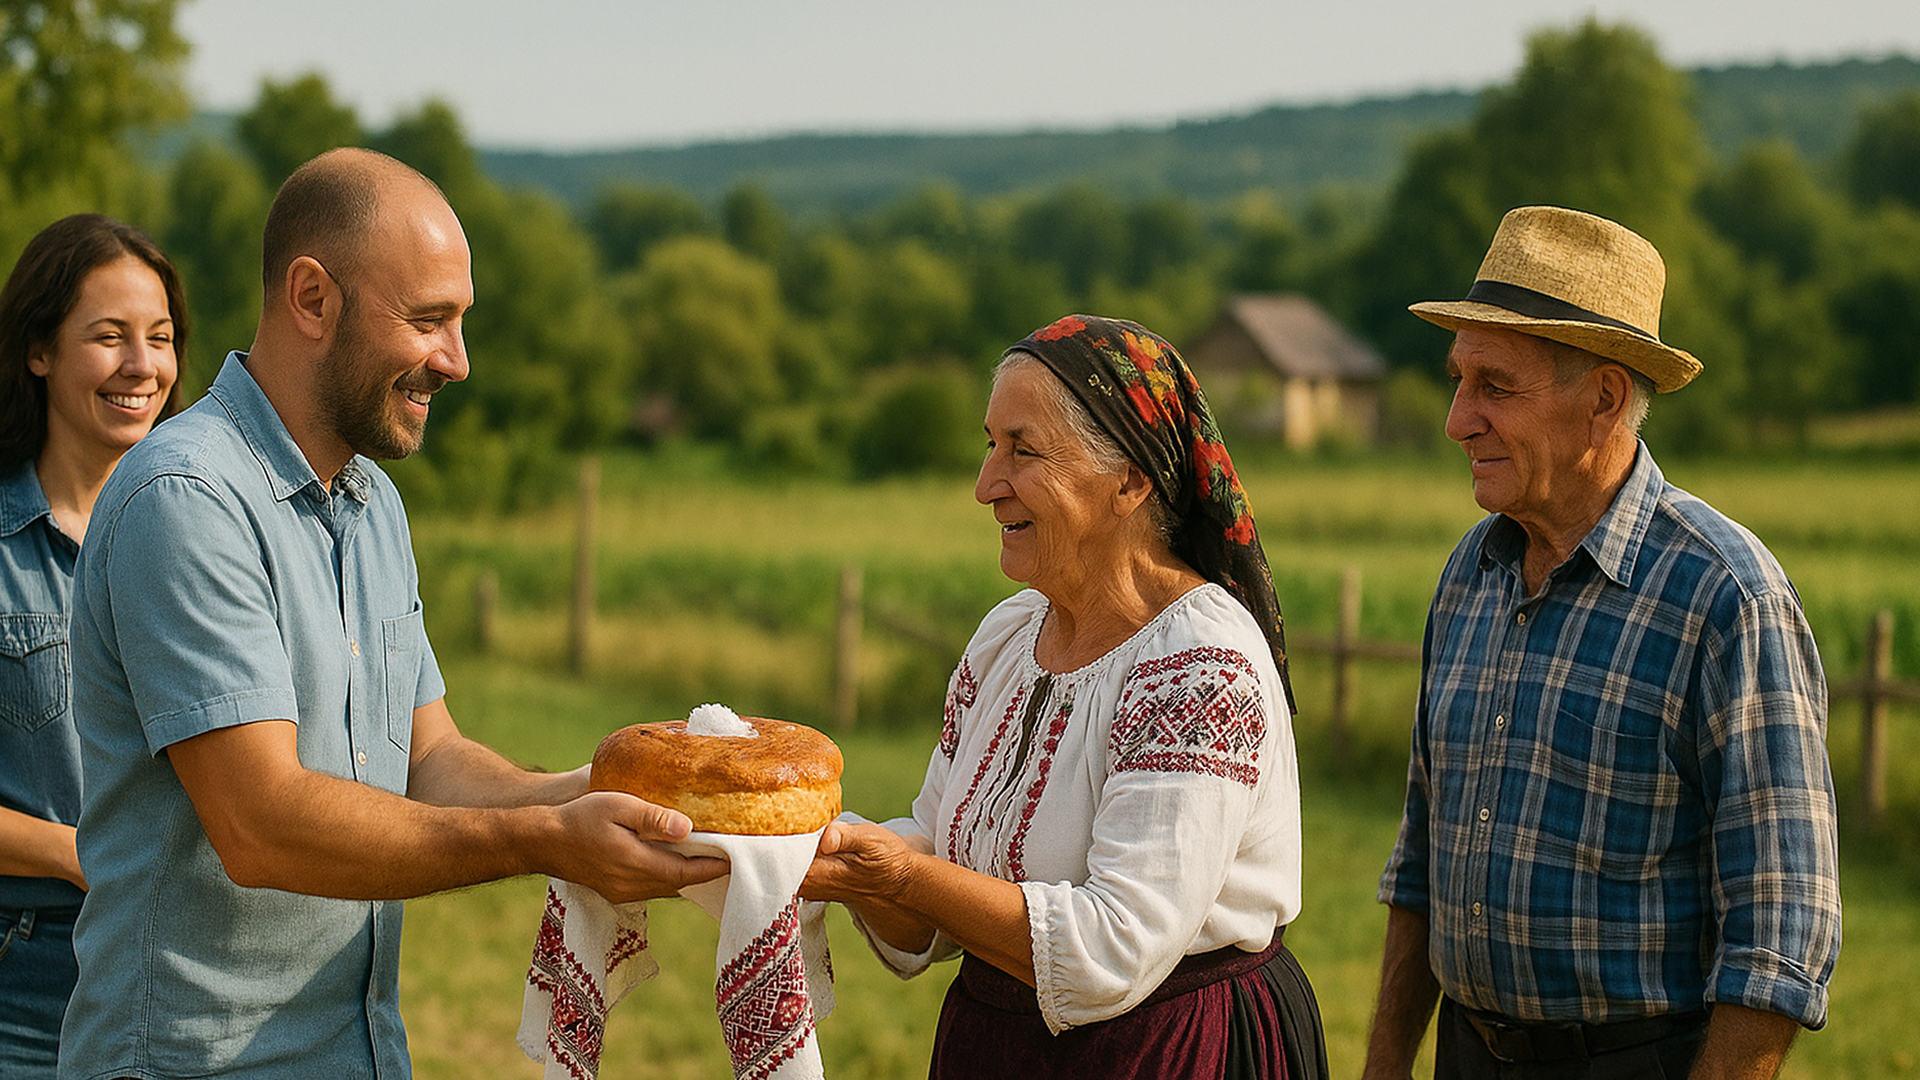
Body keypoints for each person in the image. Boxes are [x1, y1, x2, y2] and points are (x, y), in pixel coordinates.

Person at [58, 148, 728, 1079]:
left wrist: (621, 791)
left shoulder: (371, 501)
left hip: (360, 1052)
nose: (456, 362)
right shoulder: (186, 498)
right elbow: (262, 822)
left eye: (460, 321)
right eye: (428, 320)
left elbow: (429, 758)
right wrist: (545, 838)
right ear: (311, 298)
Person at [1360, 206, 1841, 1080]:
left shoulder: (1727, 598)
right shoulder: (1471, 574)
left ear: (1605, 400)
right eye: (1458, 380)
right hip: (1468, 1055)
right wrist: (1387, 1063)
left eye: (1495, 386)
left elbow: (1779, 938)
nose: (1456, 420)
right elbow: (1421, 858)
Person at [803, 314, 1329, 1079]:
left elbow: (1112, 950)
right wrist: (838, 856)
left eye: (1024, 449)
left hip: (1170, 1051)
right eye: (991, 445)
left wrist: (902, 875)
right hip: (998, 1044)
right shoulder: (1007, 638)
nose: (987, 485)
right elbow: (937, 863)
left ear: (1131, 480)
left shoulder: (1199, 663)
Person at [0, 214, 187, 1079]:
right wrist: (80, 854)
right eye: (108, 337)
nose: (141, 366)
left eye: (159, 338)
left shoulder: (200, 544)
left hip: (187, 980)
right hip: (27, 983)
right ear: (38, 350)